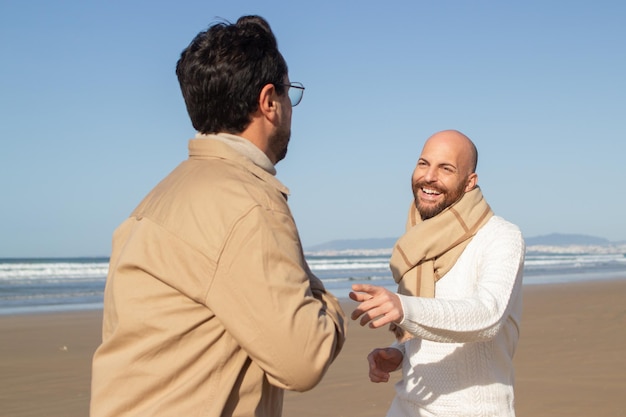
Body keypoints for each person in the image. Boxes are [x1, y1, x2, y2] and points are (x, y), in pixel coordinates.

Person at [90, 15, 346, 417]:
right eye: (288, 93)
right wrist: (327, 301)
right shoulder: (248, 204)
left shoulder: (156, 199)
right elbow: (304, 358)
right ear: (268, 102)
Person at [350, 130, 525, 416]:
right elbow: (431, 321)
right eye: (423, 163)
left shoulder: (501, 236)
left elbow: (487, 316)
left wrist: (403, 307)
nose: (429, 176)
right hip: (407, 406)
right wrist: (401, 353)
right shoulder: (417, 239)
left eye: (446, 168)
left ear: (470, 182)